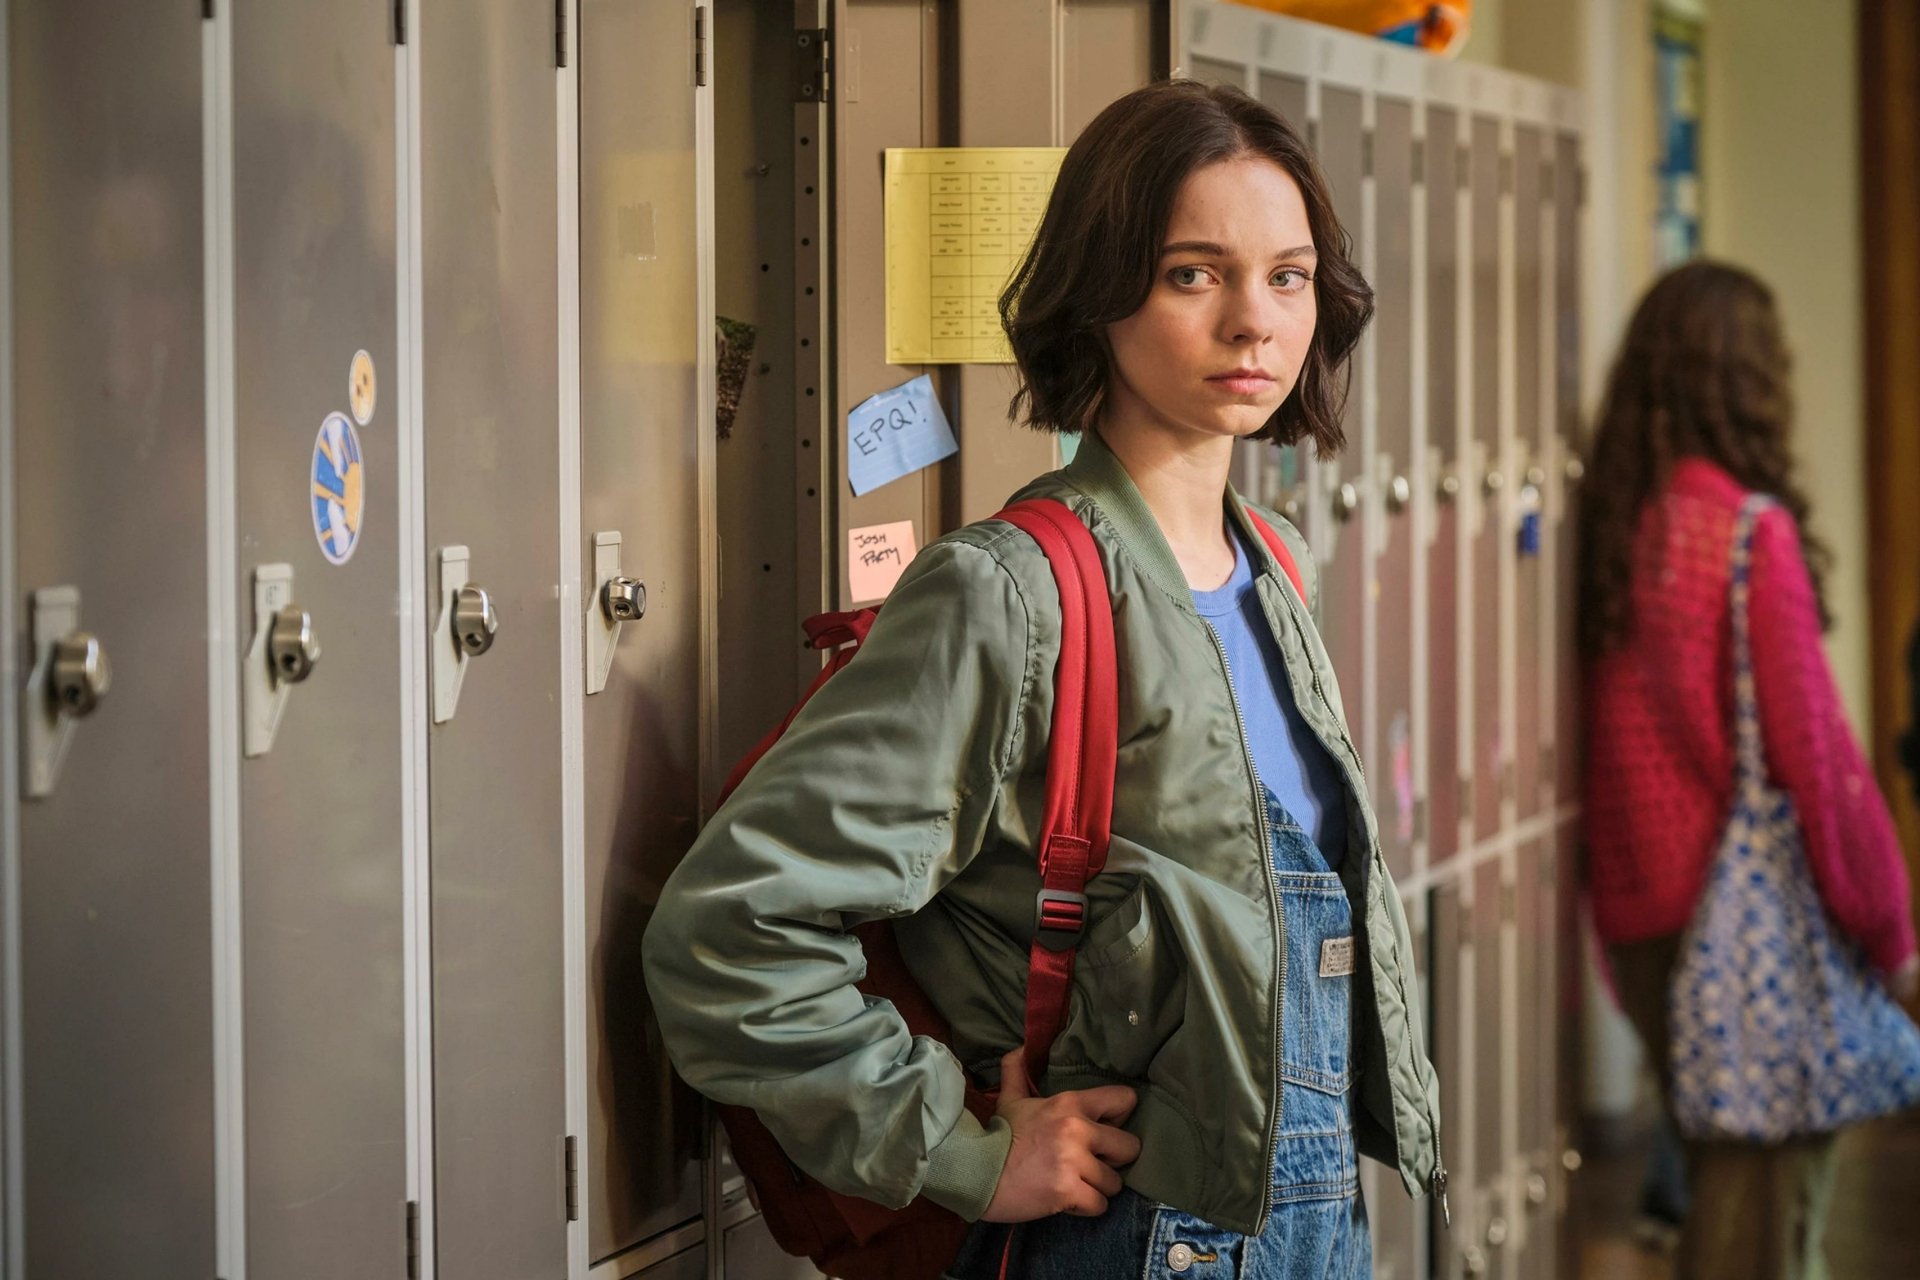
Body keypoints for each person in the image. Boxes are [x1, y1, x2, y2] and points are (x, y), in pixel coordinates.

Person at [641, 80, 1444, 1278]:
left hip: (1312, 1226)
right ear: (1101, 288)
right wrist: (961, 1149)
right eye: (1192, 273)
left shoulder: (1273, 566)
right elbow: (729, 928)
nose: (1254, 322)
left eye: (1287, 275)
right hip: (1124, 1238)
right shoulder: (1012, 593)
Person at [1580, 261, 1920, 1280]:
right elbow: (1822, 766)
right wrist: (1894, 934)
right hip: (1746, 928)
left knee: (1719, 1201)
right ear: (1748, 380)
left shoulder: (1615, 529)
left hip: (1642, 921)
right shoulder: (1742, 535)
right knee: (1766, 1229)